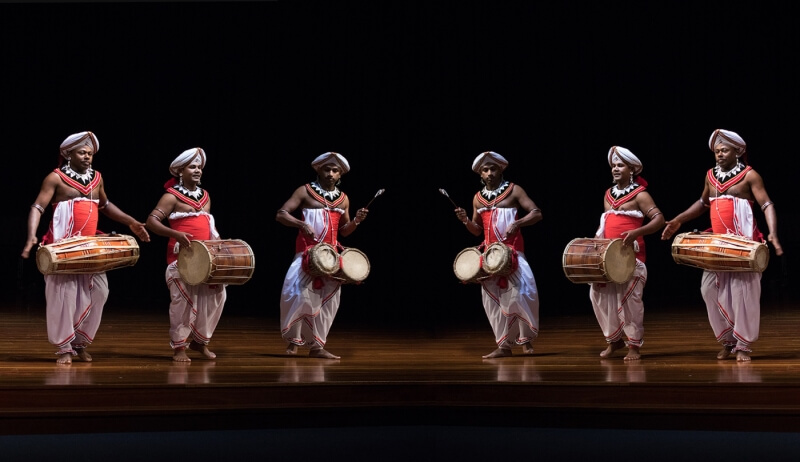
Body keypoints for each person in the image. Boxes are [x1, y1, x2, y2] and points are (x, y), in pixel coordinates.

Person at [21, 131, 150, 364]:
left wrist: (131, 221)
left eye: (90, 153)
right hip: (64, 246)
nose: (87, 157)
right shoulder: (55, 178)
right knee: (65, 296)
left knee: (100, 291)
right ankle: (64, 348)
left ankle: (80, 342)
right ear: (68, 154)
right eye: (82, 152)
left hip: (90, 247)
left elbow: (106, 205)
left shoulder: (97, 178)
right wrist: (31, 236)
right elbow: (37, 207)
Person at [661, 129, 782, 362]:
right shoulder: (710, 176)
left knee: (742, 293)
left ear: (738, 151)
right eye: (717, 151)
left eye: (724, 150)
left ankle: (743, 345)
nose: (719, 155)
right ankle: (727, 340)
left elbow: (767, 204)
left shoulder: (750, 176)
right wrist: (678, 220)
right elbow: (702, 203)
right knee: (709, 290)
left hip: (742, 243)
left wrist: (773, 233)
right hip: (717, 245)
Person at [276, 152, 368, 360]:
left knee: (328, 303)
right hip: (307, 253)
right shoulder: (305, 191)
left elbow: (344, 230)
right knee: (296, 295)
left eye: (335, 171)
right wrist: (300, 224)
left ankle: (317, 346)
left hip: (331, 258)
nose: (331, 174)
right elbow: (281, 214)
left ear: (340, 175)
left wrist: (357, 221)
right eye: (327, 169)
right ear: (318, 169)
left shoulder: (343, 199)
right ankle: (293, 342)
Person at [454, 151, 542, 359]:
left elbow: (537, 213)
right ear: (481, 175)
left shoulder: (514, 190)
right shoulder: (477, 198)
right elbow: (476, 229)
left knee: (523, 294)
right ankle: (504, 346)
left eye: (493, 168)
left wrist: (518, 223)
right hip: (491, 257)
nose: (489, 173)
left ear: (501, 169)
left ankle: (525, 339)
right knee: (493, 302)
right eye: (485, 170)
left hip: (513, 252)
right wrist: (465, 220)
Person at [145, 148, 227, 362]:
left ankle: (200, 342)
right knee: (183, 302)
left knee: (216, 297)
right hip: (181, 259)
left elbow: (209, 226)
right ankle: (179, 347)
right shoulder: (171, 197)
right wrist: (175, 234)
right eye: (192, 166)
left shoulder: (206, 196)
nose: (198, 170)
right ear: (180, 171)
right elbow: (151, 222)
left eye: (199, 167)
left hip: (205, 259)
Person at [590, 146, 664, 361]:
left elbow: (659, 219)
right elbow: (606, 222)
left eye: (620, 165)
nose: (615, 168)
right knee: (599, 296)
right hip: (609, 258)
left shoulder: (641, 195)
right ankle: (614, 341)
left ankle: (633, 345)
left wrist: (637, 232)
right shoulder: (608, 194)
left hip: (632, 258)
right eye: (613, 165)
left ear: (631, 169)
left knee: (630, 300)